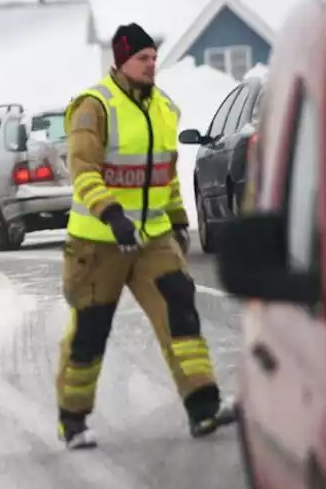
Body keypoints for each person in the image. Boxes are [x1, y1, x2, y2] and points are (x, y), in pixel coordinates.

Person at [55, 22, 236, 449]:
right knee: (90, 329)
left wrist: (175, 219)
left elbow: (165, 174)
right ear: (121, 62)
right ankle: (73, 420)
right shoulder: (92, 107)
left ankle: (203, 407)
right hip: (98, 242)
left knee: (180, 311)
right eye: (142, 58)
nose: (151, 65)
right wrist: (111, 214)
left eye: (154, 57)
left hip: (151, 238)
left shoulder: (164, 108)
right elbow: (82, 171)